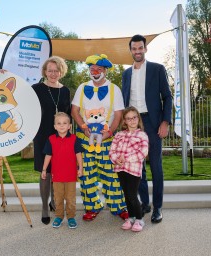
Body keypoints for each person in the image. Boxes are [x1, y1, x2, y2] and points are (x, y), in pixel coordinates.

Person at [121, 34, 172, 223]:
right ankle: (145, 203)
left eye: (140, 48)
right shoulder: (126, 74)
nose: (137, 51)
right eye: (134, 49)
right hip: (134, 123)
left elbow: (167, 97)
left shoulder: (157, 69)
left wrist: (165, 122)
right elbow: (125, 101)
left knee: (156, 166)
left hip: (153, 121)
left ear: (145, 48)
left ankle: (158, 208)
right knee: (137, 167)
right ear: (131, 50)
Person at [71, 54, 128, 221]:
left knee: (111, 174)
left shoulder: (114, 89)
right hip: (85, 139)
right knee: (86, 175)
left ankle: (117, 207)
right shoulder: (82, 87)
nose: (95, 72)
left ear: (105, 71)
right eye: (92, 69)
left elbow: (118, 115)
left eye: (99, 69)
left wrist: (109, 132)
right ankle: (92, 207)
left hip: (106, 140)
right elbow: (74, 111)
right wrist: (83, 127)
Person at [32, 56, 71, 225]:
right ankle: (44, 208)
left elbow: (68, 114)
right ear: (45, 72)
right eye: (50, 70)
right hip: (42, 136)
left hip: (60, 136)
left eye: (56, 70)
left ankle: (55, 202)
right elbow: (17, 94)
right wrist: (3, 75)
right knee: (45, 172)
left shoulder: (66, 91)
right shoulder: (36, 88)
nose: (53, 73)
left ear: (61, 71)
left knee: (59, 171)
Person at [109, 107, 149, 232]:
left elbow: (142, 153)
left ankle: (139, 219)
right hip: (121, 169)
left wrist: (125, 158)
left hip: (133, 169)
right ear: (124, 121)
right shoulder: (119, 135)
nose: (132, 120)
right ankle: (131, 217)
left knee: (132, 195)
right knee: (126, 195)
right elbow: (112, 151)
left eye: (134, 117)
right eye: (128, 118)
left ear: (138, 118)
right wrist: (116, 159)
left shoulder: (142, 135)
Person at [42, 112, 83, 229]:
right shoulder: (51, 139)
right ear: (55, 126)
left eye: (65, 123)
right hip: (57, 176)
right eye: (58, 123)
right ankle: (59, 216)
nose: (62, 125)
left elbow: (78, 154)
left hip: (70, 175)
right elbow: (48, 155)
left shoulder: (75, 139)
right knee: (58, 198)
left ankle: (71, 217)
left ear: (69, 125)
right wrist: (44, 169)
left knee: (70, 198)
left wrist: (81, 168)